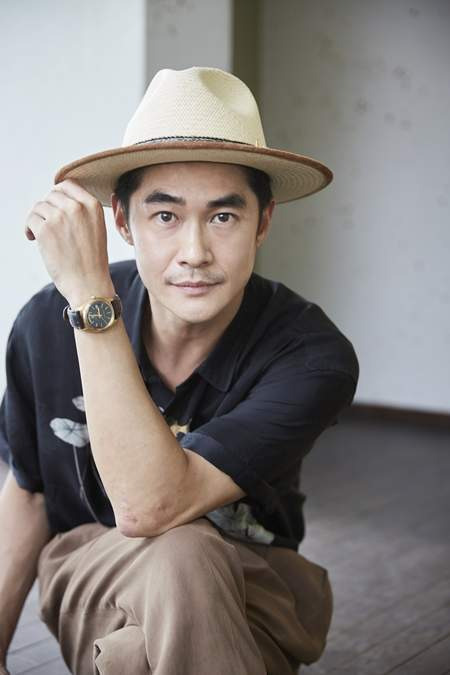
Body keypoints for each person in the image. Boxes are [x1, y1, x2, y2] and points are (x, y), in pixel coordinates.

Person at [0, 67, 359, 675]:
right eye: (165, 216)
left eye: (223, 217)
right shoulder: (45, 323)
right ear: (123, 222)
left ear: (262, 222)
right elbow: (28, 493)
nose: (195, 253)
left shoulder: (311, 354)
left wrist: (93, 306)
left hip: (257, 583)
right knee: (183, 552)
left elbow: (152, 507)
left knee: (140, 642)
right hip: (96, 568)